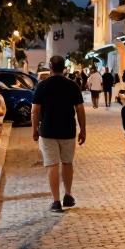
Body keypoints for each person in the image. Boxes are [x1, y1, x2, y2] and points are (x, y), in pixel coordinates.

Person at [32, 54, 86, 212]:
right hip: (68, 130)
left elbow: (35, 111)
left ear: (50, 68)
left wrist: (34, 130)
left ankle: (56, 201)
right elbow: (80, 109)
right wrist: (83, 130)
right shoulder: (72, 86)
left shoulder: (42, 86)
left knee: (52, 165)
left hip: (48, 130)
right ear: (64, 68)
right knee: (67, 163)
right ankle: (68, 195)